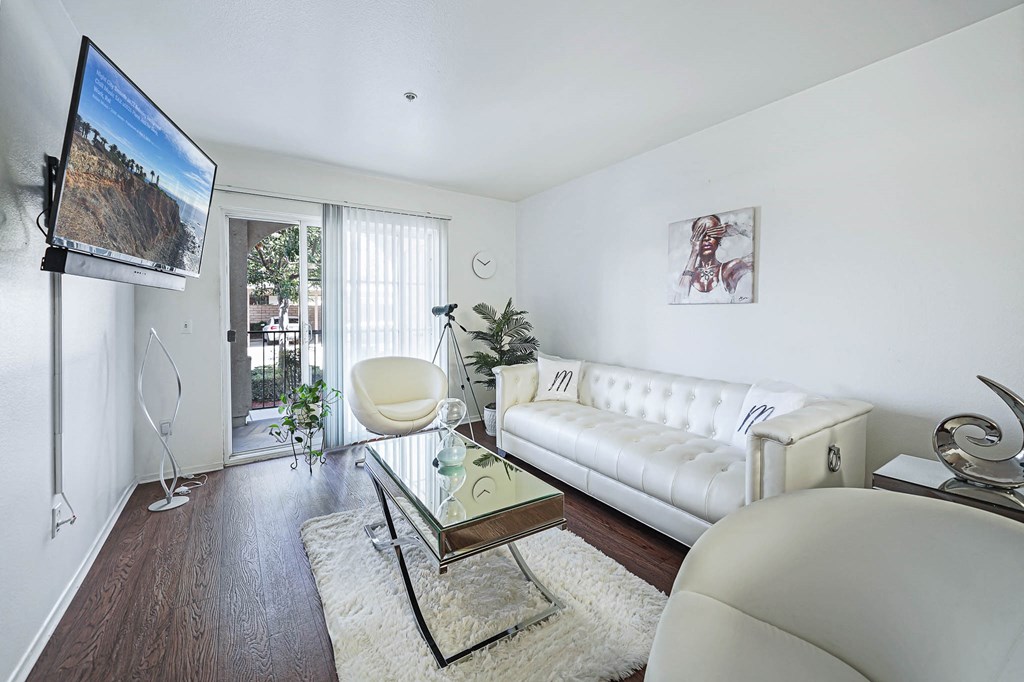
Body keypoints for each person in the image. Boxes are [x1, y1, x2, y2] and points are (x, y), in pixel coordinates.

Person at [675, 214, 752, 302]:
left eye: (712, 233)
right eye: (701, 235)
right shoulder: (686, 277)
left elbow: (762, 251)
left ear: (719, 239)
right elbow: (678, 300)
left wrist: (736, 229)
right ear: (694, 240)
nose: (707, 238)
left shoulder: (729, 269)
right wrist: (694, 252)